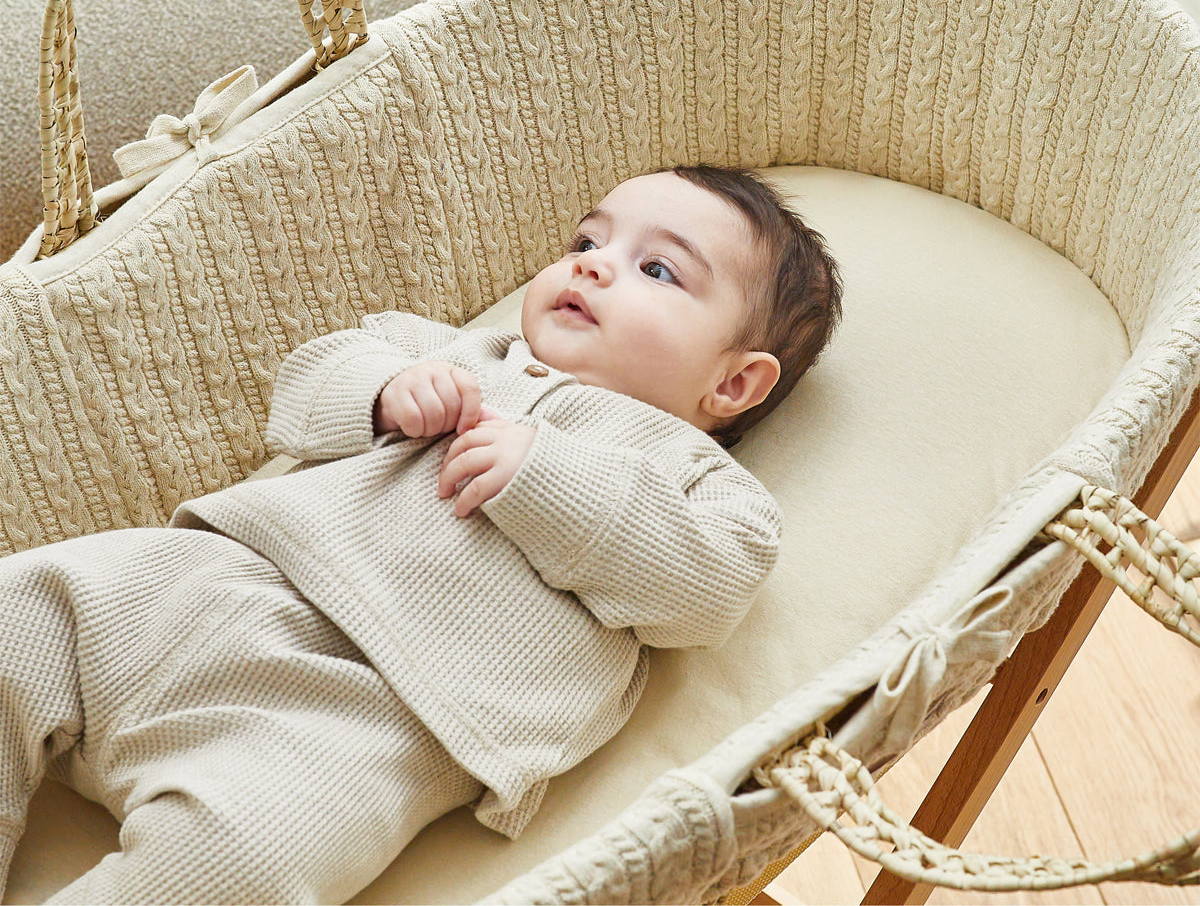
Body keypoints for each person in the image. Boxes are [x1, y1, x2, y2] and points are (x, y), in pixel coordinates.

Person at [0, 165, 842, 905]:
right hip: (207, 584)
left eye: (656, 269)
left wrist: (546, 478)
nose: (592, 263)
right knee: (20, 611)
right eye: (589, 237)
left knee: (245, 861)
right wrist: (384, 391)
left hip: (370, 717)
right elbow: (302, 386)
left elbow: (705, 590)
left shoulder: (700, 483)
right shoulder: (445, 351)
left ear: (734, 382)